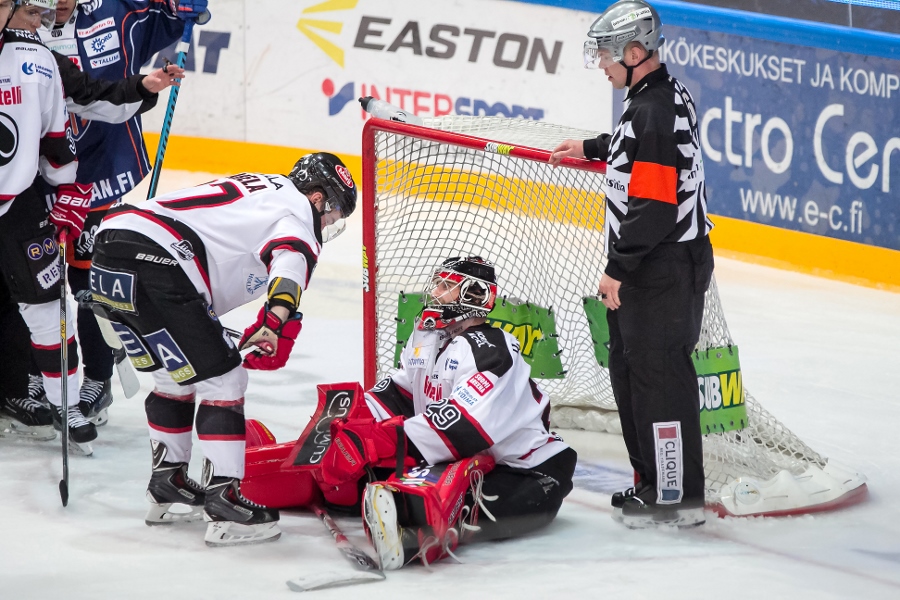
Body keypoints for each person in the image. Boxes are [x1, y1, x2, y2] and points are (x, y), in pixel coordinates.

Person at [89, 153, 358, 546]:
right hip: (159, 261)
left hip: (111, 250)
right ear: (317, 197)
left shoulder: (263, 188)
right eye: (332, 215)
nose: (328, 224)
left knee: (173, 376)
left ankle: (170, 485)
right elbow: (290, 261)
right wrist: (274, 321)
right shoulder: (296, 212)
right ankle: (225, 503)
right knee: (226, 379)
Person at [550, 0, 715, 529]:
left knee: (659, 380)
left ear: (635, 52)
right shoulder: (650, 100)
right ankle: (653, 484)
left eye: (605, 54)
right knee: (631, 371)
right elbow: (645, 151)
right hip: (655, 266)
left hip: (660, 270)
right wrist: (595, 146)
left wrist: (618, 267)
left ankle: (678, 497)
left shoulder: (652, 107)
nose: (601, 65)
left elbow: (655, 204)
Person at [318, 256, 577, 569]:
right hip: (467, 460)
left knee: (457, 503)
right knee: (366, 470)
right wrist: (353, 420)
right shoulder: (429, 334)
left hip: (528, 471)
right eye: (438, 283)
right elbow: (402, 392)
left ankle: (415, 530)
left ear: (475, 296)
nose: (436, 291)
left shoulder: (491, 349)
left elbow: (462, 425)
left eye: (447, 286)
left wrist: (375, 442)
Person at [5, 0, 184, 431]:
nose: (53, 11)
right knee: (21, 289)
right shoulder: (31, 37)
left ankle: (94, 378)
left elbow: (94, 93)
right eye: (36, 9)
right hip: (39, 178)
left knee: (86, 282)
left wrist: (147, 80)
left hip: (91, 175)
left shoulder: (107, 17)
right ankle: (25, 379)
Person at [0, 0, 96, 450]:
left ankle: (66, 401)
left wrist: (64, 192)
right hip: (16, 203)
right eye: (31, 14)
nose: (39, 25)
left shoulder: (37, 60)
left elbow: (56, 137)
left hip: (17, 205)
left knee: (49, 308)